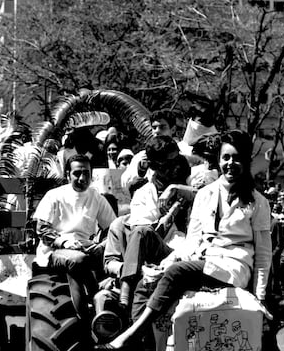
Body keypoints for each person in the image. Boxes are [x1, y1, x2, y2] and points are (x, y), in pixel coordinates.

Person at [102, 130, 272, 351]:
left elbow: (263, 254)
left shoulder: (258, 202)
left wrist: (260, 296)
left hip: (233, 266)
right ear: (219, 160)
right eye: (226, 158)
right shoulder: (205, 194)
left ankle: (133, 334)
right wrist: (165, 264)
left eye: (237, 158)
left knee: (176, 273)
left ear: (246, 161)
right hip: (203, 260)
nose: (230, 164)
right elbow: (192, 241)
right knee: (146, 284)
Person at [100, 137, 193, 331]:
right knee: (142, 233)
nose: (175, 167)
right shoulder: (142, 195)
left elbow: (211, 192)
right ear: (155, 166)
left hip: (184, 255)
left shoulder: (187, 187)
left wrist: (178, 191)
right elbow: (149, 234)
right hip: (154, 258)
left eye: (177, 161)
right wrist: (172, 211)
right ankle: (125, 298)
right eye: (168, 163)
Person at [34, 154, 117, 316]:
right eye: (77, 173)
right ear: (67, 175)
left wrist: (102, 245)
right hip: (55, 251)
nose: (82, 178)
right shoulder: (55, 195)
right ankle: (88, 312)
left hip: (85, 248)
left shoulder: (95, 197)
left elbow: (113, 228)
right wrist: (64, 242)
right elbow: (41, 228)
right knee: (78, 261)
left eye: (86, 173)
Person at [121, 110, 177, 194]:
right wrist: (141, 171)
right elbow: (124, 184)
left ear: (173, 129)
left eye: (162, 127)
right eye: (154, 128)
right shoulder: (140, 157)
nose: (157, 131)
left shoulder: (184, 152)